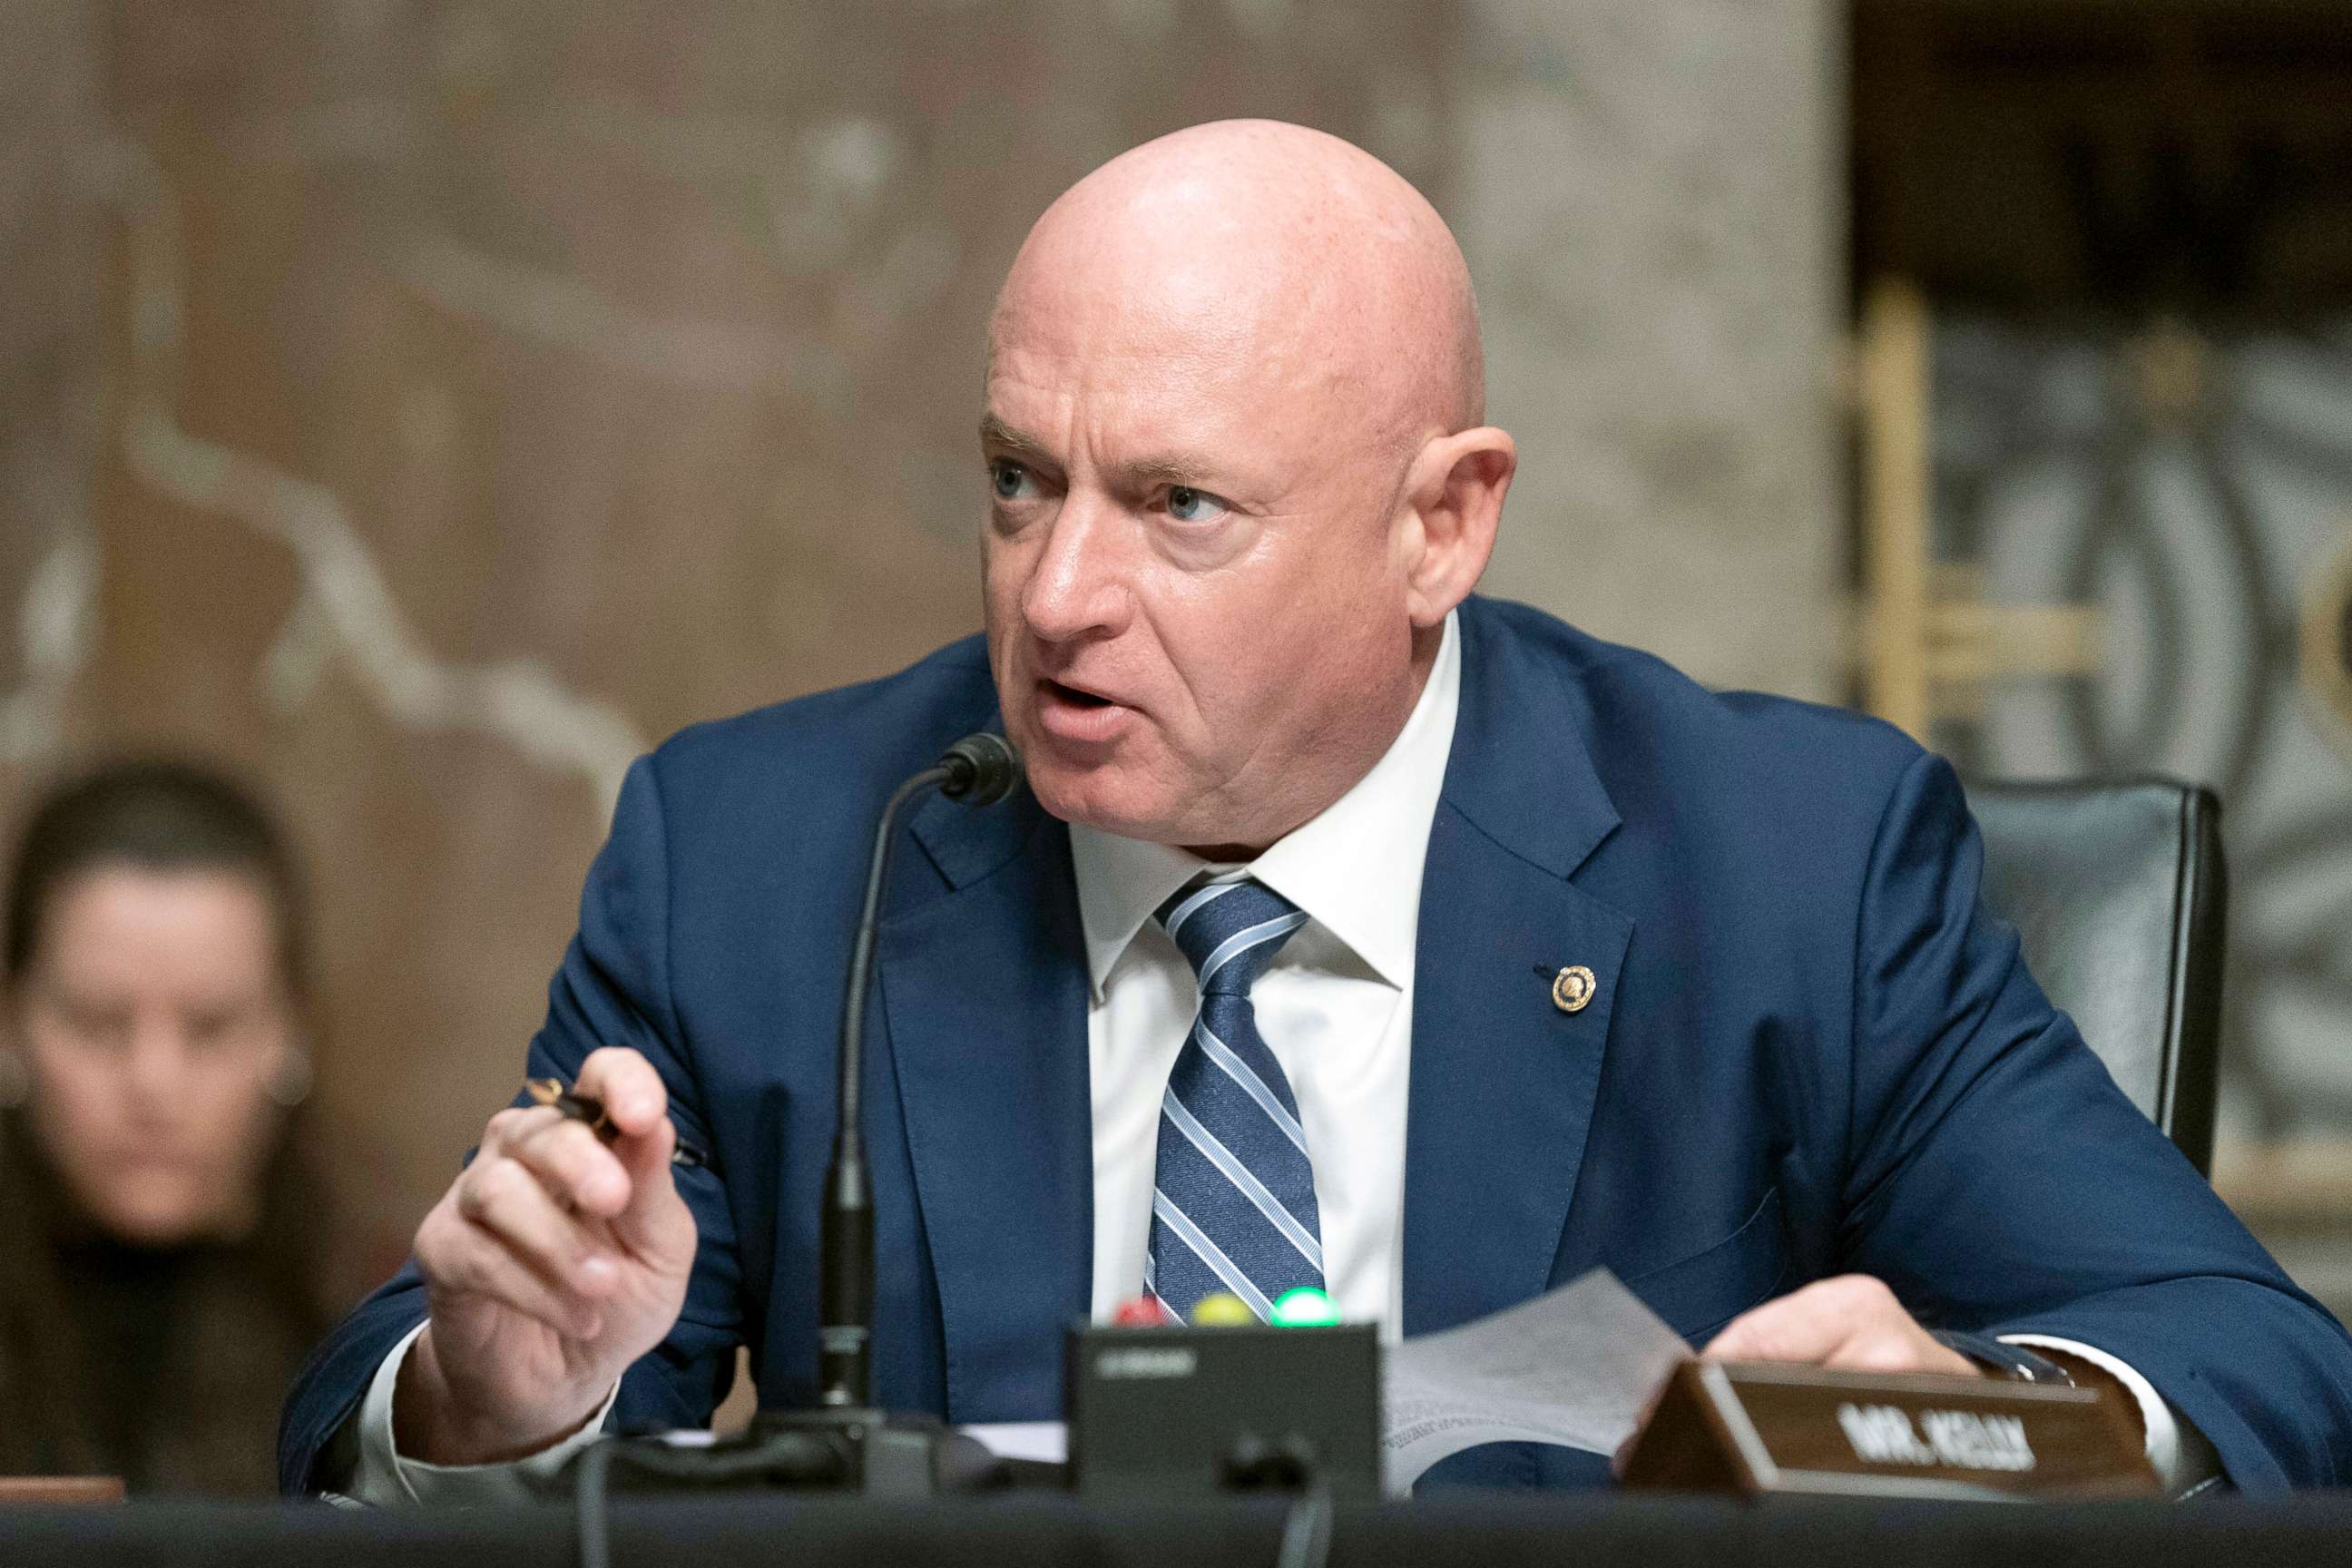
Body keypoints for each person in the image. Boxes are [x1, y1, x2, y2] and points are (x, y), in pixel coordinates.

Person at [283, 120, 2352, 1500]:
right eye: (1019, 479)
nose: (1059, 592)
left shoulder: (1787, 862)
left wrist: (1967, 1422)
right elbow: (397, 1421)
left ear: (1441, 521)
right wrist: (493, 1388)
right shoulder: (764, 851)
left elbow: (2247, 1362)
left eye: (1179, 505)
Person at [0, 760, 337, 1494]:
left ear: (289, 1032)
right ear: (11, 1023)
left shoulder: (388, 1334)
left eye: (211, 1027)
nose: (154, 1084)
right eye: (96, 1023)